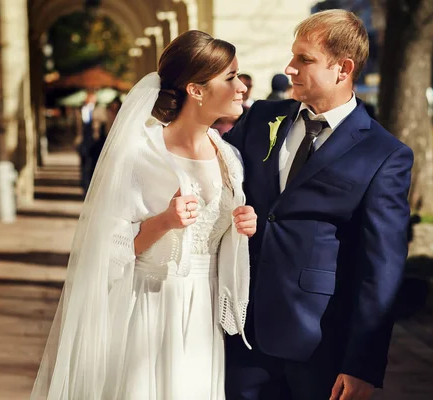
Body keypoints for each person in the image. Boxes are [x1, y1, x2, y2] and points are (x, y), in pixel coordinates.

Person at [31, 30, 257, 400]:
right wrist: (165, 221)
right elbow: (108, 250)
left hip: (204, 312)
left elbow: (219, 236)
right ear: (195, 90)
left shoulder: (227, 156)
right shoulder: (141, 153)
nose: (242, 87)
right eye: (230, 77)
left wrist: (244, 224)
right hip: (152, 308)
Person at [223, 9, 413, 400]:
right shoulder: (261, 118)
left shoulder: (384, 154)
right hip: (239, 330)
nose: (289, 68)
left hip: (318, 346)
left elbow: (381, 269)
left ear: (342, 69)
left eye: (304, 59)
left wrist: (363, 365)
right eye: (293, 56)